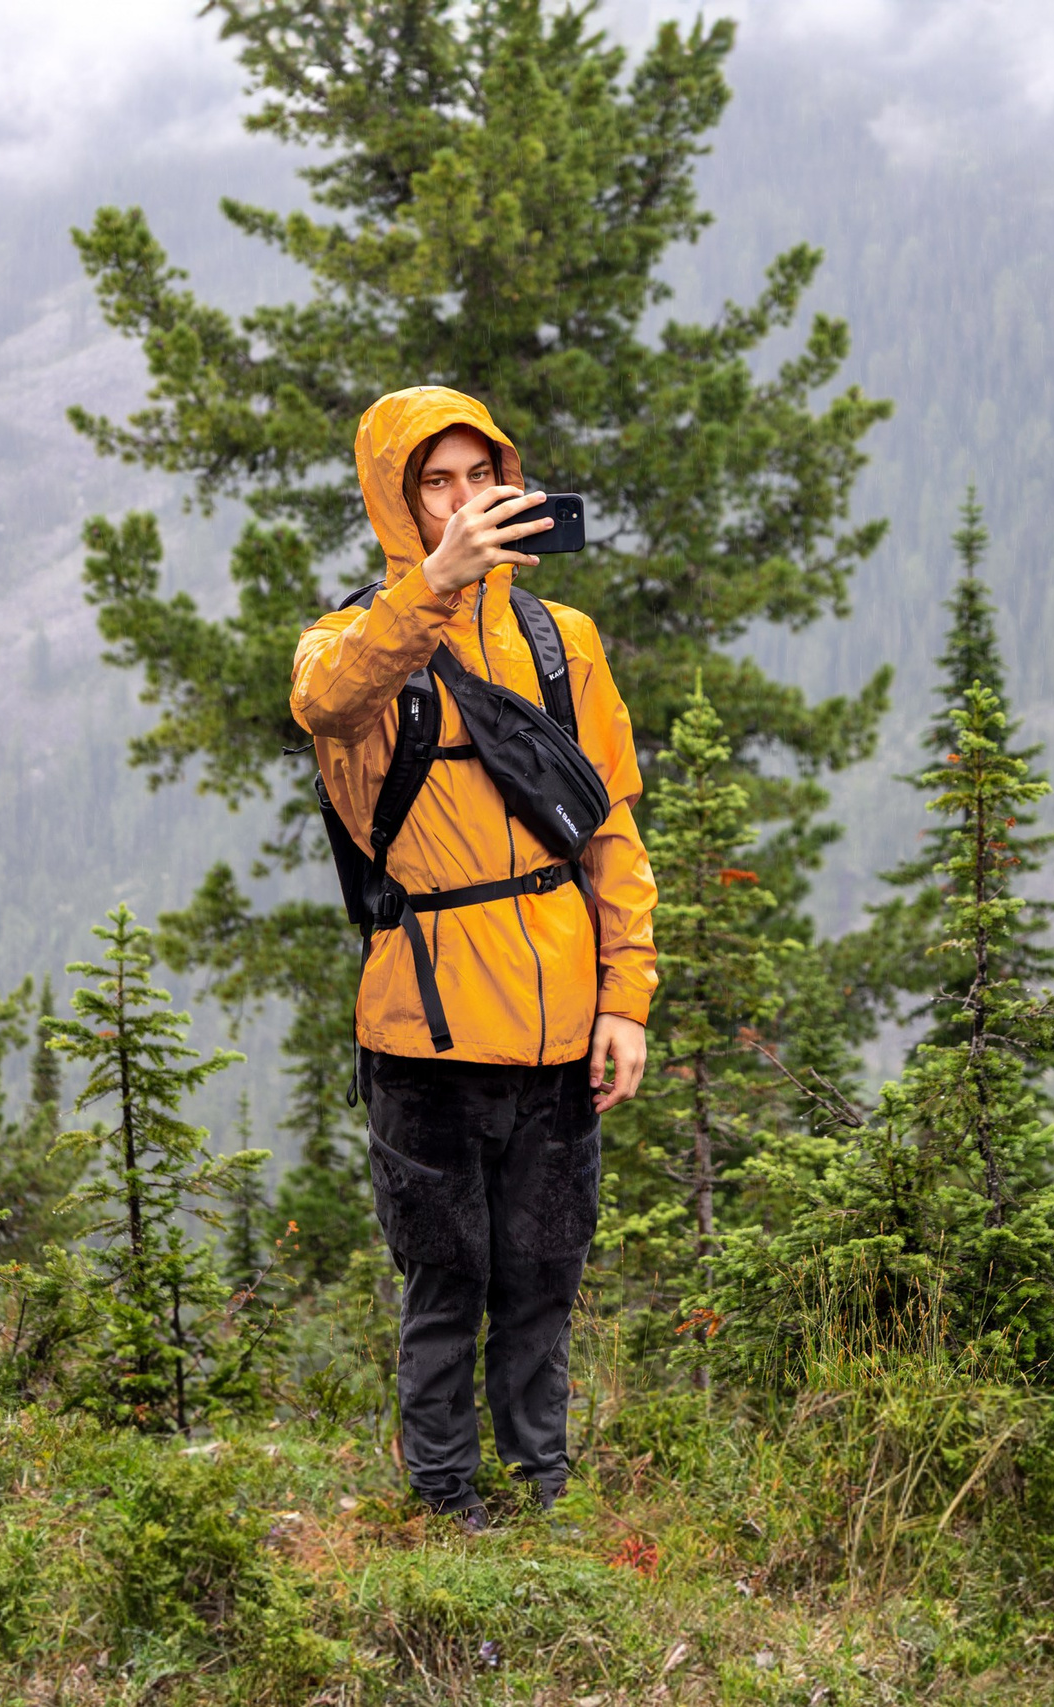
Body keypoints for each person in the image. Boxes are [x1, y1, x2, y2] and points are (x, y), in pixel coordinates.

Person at [292, 387, 656, 1528]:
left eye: (477, 476)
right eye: (434, 483)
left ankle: (541, 1496)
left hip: (559, 1027)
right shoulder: (357, 646)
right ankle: (444, 1504)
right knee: (446, 1282)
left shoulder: (565, 643)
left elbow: (612, 834)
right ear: (396, 504)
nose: (462, 501)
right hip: (427, 1027)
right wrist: (431, 587)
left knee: (545, 1274)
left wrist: (627, 997)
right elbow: (321, 699)